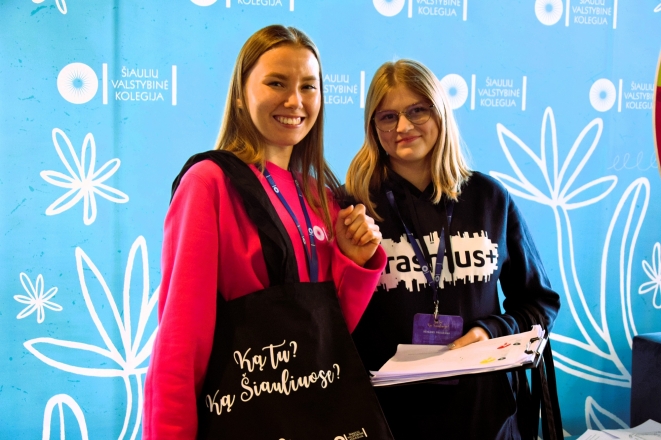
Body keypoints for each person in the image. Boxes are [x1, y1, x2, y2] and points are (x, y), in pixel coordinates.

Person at [143, 25, 390, 439]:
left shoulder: (322, 196)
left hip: (317, 417)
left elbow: (326, 339)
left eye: (308, 86)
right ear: (241, 93)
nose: (295, 101)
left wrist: (354, 262)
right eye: (277, 83)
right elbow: (180, 342)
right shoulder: (209, 183)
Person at [345, 59, 561, 439]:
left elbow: (539, 304)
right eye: (388, 117)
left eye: (417, 110)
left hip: (487, 419)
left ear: (440, 112)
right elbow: (332, 318)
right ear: (373, 127)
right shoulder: (354, 209)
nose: (403, 127)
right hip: (390, 421)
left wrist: (491, 331)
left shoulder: (488, 198)